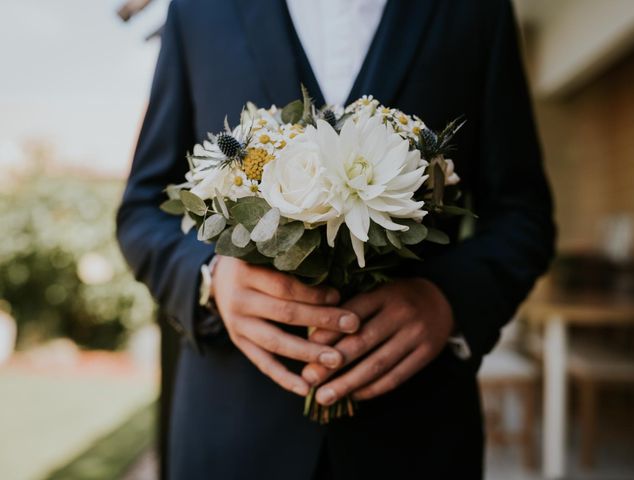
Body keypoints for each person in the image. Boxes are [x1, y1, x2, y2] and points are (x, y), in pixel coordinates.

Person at [116, 0, 555, 478]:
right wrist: (211, 279)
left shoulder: (476, 11)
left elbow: (523, 214)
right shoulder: (200, 10)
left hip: (416, 435)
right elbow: (142, 209)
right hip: (232, 433)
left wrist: (449, 298)